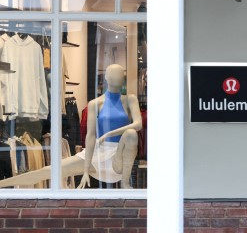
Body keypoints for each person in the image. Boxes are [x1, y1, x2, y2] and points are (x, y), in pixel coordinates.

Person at [0, 64, 141, 189]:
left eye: (120, 75)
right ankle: (3, 184)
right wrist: (85, 170)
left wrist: (108, 134)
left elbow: (138, 125)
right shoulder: (95, 103)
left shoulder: (130, 99)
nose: (118, 78)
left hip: (119, 157)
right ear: (107, 78)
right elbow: (90, 135)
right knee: (50, 170)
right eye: (114, 74)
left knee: (130, 134)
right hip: (98, 154)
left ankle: (125, 182)